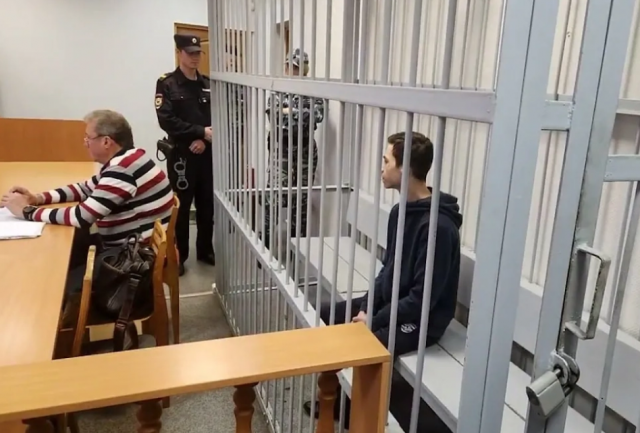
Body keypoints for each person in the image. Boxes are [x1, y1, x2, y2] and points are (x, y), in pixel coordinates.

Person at [303, 131, 463, 427]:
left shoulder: (439, 228)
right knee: (328, 314)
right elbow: (388, 270)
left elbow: (421, 301)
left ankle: (359, 414)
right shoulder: (400, 212)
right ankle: (336, 398)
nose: (381, 167)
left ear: (405, 168)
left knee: (369, 340)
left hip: (424, 320)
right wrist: (367, 306)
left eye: (386, 160)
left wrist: (374, 320)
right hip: (396, 303)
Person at [0, 109, 174, 299]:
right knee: (64, 251)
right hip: (128, 246)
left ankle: (68, 312)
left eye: (88, 138)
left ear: (106, 141)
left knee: (54, 286)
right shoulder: (128, 158)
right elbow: (84, 188)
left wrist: (27, 211)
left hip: (132, 258)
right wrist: (38, 198)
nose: (85, 143)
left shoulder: (122, 170)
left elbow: (81, 217)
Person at [155, 33, 215, 276]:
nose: (195, 58)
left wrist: (203, 138)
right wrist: (198, 133)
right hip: (182, 156)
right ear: (179, 53)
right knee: (180, 208)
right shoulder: (167, 84)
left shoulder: (207, 83)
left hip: (206, 153)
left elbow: (218, 116)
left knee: (207, 205)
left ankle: (205, 249)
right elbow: (166, 120)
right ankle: (179, 256)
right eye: (190, 53)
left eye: (198, 53)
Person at [262, 48, 325, 255]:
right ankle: (265, 248)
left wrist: (289, 112)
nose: (293, 71)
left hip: (305, 153)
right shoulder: (278, 90)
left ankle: (298, 251)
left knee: (301, 202)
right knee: (273, 199)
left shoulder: (313, 91)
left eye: (298, 68)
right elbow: (275, 118)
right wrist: (299, 114)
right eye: (291, 67)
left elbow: (317, 116)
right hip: (282, 151)